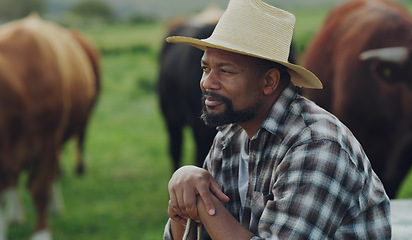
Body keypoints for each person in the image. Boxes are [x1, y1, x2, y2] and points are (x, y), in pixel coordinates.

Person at [163, 0, 392, 239]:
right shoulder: (230, 135)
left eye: (226, 71)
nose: (207, 83)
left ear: (269, 82)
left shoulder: (317, 145)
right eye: (205, 68)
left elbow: (210, 219)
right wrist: (184, 198)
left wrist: (202, 203)